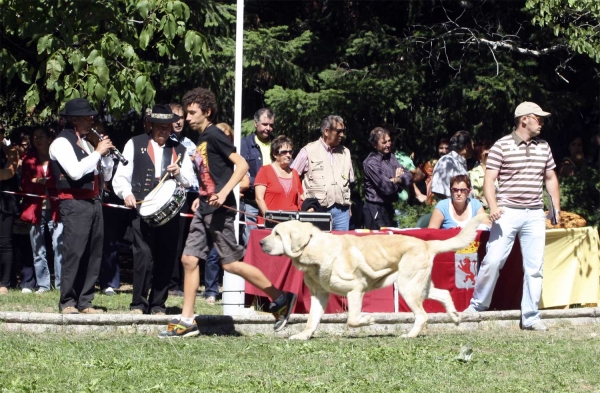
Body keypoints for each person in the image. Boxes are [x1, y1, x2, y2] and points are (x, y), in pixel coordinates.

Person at [159, 88, 296, 337]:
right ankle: (187, 320)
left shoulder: (214, 135)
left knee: (231, 264)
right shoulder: (202, 139)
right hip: (206, 207)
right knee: (189, 259)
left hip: (220, 210)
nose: (187, 118)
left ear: (207, 112)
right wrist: (202, 196)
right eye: (187, 112)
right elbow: (210, 175)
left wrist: (223, 194)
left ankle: (281, 298)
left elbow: (242, 165)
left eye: (192, 112)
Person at [465, 101, 560, 332]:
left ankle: (531, 316)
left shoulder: (544, 146)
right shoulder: (502, 145)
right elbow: (489, 180)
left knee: (534, 267)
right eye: (539, 118)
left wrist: (555, 208)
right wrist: (493, 206)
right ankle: (477, 307)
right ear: (524, 119)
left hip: (535, 213)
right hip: (507, 212)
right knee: (494, 260)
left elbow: (550, 178)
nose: (542, 122)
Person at [112, 104, 194, 315]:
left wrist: (178, 173)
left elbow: (189, 181)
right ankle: (138, 304)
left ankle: (158, 304)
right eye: (159, 126)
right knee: (143, 257)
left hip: (170, 213)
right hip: (142, 210)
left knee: (166, 257)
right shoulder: (134, 143)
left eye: (167, 127)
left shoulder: (180, 150)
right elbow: (121, 176)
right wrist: (126, 194)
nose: (164, 131)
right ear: (151, 125)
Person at [48, 98, 115, 314]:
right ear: (73, 120)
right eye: (87, 117)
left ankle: (85, 301)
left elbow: (103, 175)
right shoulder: (61, 142)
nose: (91, 120)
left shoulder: (86, 142)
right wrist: (97, 153)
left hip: (94, 202)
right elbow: (75, 172)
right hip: (74, 203)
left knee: (93, 253)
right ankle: (67, 301)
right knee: (74, 252)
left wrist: (107, 158)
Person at [291, 115, 354, 231]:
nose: (342, 135)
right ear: (326, 131)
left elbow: (350, 182)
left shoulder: (346, 152)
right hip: (316, 210)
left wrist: (349, 206)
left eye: (343, 131)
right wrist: (303, 201)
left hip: (342, 212)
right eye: (339, 131)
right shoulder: (308, 151)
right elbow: (292, 177)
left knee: (341, 246)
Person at [20, 126, 64, 293]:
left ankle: (61, 285)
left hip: (56, 210)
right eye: (35, 137)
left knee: (59, 249)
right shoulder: (28, 160)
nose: (38, 139)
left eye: (42, 136)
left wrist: (43, 181)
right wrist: (41, 182)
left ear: (49, 139)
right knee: (38, 250)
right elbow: (25, 184)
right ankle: (43, 285)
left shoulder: (57, 159)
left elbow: (60, 182)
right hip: (35, 210)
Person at [167, 102, 199, 298]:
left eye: (181, 117)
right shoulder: (166, 142)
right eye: (175, 117)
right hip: (174, 194)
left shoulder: (189, 142)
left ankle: (182, 282)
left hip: (191, 195)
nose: (179, 122)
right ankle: (171, 282)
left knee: (187, 241)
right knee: (174, 240)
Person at [363, 127, 412, 230]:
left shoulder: (391, 157)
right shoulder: (371, 163)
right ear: (374, 145)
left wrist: (397, 179)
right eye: (384, 142)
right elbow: (386, 188)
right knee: (377, 242)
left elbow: (408, 176)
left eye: (389, 141)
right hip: (375, 209)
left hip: (389, 208)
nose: (388, 144)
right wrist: (397, 180)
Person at [240, 108, 275, 244]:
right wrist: (260, 183)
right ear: (256, 124)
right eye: (265, 124)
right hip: (251, 202)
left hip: (272, 202)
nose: (268, 128)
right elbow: (240, 173)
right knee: (251, 241)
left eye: (271, 125)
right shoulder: (244, 145)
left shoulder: (276, 144)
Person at [255, 135, 303, 223]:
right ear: (274, 154)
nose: (288, 155)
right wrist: (269, 218)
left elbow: (301, 197)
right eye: (284, 152)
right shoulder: (265, 171)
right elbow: (259, 198)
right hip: (270, 224)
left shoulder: (295, 173)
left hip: (292, 224)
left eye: (290, 152)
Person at [0, 129, 18, 295]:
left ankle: (4, 283)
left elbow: (8, 173)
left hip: (5, 204)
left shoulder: (10, 151)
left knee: (4, 243)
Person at [431, 131, 474, 200]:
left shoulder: (459, 163)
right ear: (467, 146)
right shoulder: (447, 162)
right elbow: (441, 193)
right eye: (473, 145)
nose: (473, 148)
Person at [468, 140, 494, 208]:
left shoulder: (502, 171)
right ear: (479, 157)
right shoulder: (473, 174)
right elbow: (475, 197)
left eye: (493, 154)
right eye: (487, 155)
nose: (491, 157)